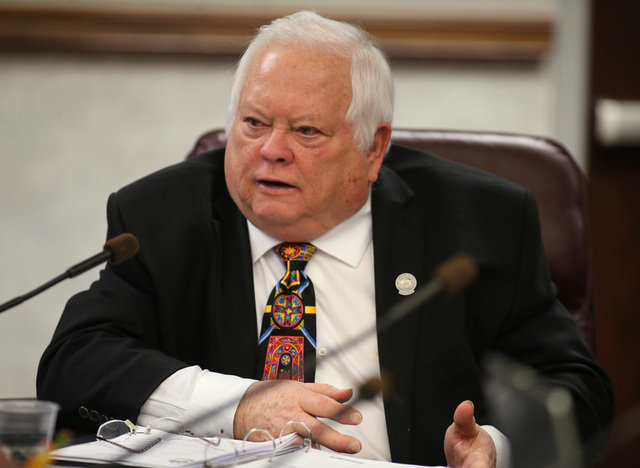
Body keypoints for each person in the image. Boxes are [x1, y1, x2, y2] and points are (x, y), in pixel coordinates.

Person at [37, 10, 613, 468]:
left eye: (306, 131)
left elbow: (577, 392)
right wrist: (236, 405)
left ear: (373, 149)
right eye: (254, 123)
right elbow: (75, 362)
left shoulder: (477, 223)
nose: (271, 150)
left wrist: (495, 448)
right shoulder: (163, 216)